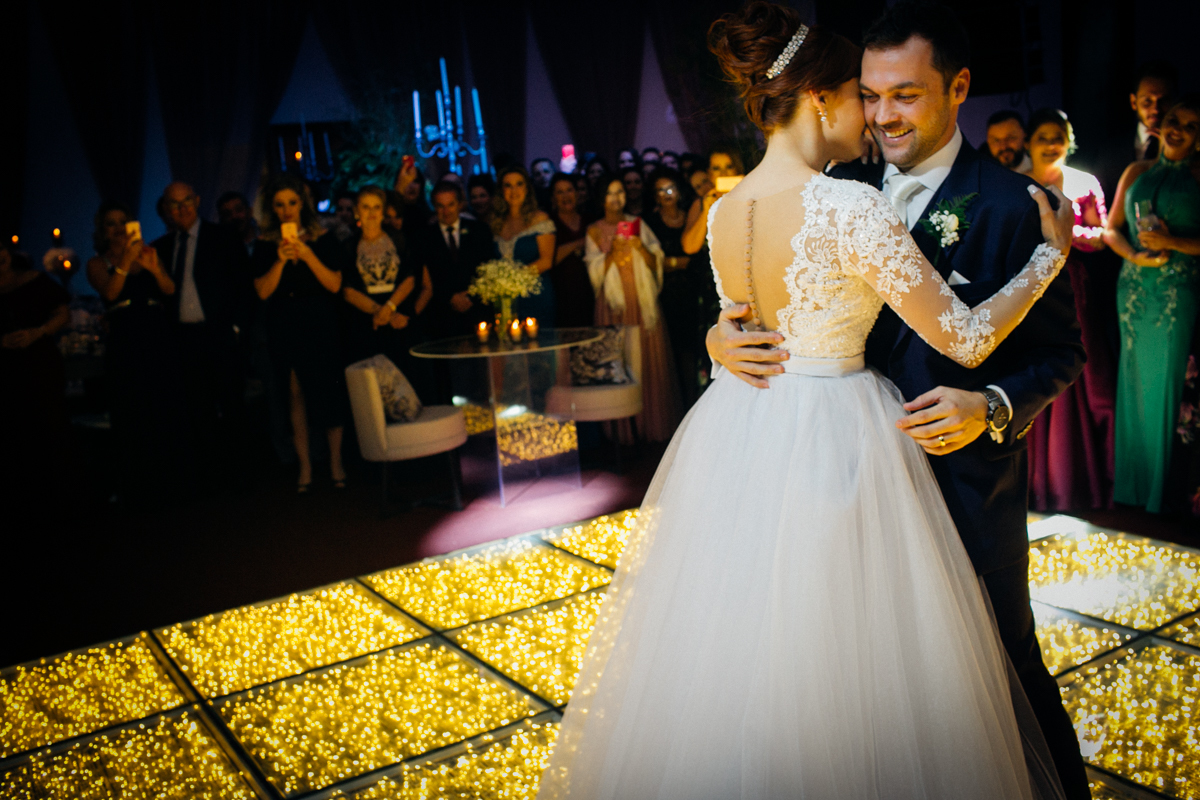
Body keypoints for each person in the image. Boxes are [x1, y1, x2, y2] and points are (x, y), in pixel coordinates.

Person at [697, 1, 1090, 797]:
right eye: (869, 95)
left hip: (965, 488)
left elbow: (1061, 355)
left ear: (958, 88)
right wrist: (718, 339)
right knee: (854, 694)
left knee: (1004, 677)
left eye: (904, 95)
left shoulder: (1014, 204)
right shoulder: (843, 187)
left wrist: (992, 406)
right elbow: (780, 306)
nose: (881, 116)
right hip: (838, 494)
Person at [1105, 96, 1200, 513]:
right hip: (1134, 289)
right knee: (1133, 381)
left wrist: (1172, 241)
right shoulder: (1136, 171)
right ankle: (1132, 489)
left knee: (1169, 384)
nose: (1178, 129)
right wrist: (1135, 255)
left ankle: (1164, 493)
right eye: (1175, 120)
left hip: (1178, 291)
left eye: (1191, 126)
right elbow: (1111, 229)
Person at [1019, 108, 1116, 511]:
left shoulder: (1083, 182)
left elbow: (1102, 235)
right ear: (1029, 142)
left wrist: (1066, 235)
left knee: (1083, 375)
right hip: (1028, 286)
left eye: (1058, 136)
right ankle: (1037, 481)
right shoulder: (1016, 181)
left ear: (1068, 140)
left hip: (1074, 286)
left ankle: (1078, 479)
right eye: (1043, 137)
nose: (1051, 144)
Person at [252, 174, 348, 493]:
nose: (287, 211)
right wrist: (280, 261)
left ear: (302, 204)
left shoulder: (323, 237)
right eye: (280, 205)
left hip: (320, 322)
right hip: (284, 324)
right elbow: (262, 291)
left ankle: (336, 461)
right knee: (294, 395)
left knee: (329, 392)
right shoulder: (265, 244)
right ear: (272, 208)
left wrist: (308, 255)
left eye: (292, 203)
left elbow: (335, 284)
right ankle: (305, 464)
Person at [152, 182, 251, 489]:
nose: (182, 209)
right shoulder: (161, 248)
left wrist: (236, 328)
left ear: (196, 201)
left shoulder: (222, 237)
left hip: (219, 334)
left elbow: (244, 285)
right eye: (175, 204)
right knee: (198, 408)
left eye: (187, 202)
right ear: (166, 209)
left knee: (232, 404)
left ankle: (241, 473)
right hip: (184, 338)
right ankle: (211, 476)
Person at [86, 202, 185, 503]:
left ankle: (173, 480)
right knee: (133, 408)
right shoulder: (97, 263)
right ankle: (140, 486)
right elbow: (111, 292)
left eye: (123, 222)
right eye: (111, 223)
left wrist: (153, 268)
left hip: (155, 331)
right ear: (103, 230)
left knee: (163, 403)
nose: (118, 228)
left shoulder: (149, 253)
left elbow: (169, 289)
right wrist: (126, 262)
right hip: (126, 337)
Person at [584, 177, 681, 444]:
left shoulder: (638, 224)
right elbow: (593, 274)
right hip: (613, 306)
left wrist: (640, 247)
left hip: (642, 302)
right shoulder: (594, 230)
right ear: (601, 198)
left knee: (646, 361)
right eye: (610, 193)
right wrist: (611, 254)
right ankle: (623, 433)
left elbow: (655, 260)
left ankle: (651, 426)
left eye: (620, 192)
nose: (616, 198)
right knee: (621, 361)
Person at [341, 186, 433, 399]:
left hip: (401, 320)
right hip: (367, 324)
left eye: (376, 207)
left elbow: (410, 278)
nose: (372, 213)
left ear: (383, 211)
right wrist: (381, 312)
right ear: (357, 211)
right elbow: (348, 290)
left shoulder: (400, 239)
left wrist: (390, 308)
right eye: (366, 207)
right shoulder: (348, 246)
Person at [1, 240, 70, 495]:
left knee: (48, 430)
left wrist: (38, 332)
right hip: (7, 372)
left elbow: (63, 314)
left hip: (40, 365)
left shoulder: (34, 280)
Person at [645, 167, 701, 407]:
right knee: (673, 353)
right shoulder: (651, 223)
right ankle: (678, 405)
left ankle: (695, 400)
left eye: (670, 188)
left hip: (694, 291)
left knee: (693, 350)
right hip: (666, 294)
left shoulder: (692, 216)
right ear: (654, 195)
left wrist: (674, 262)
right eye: (660, 190)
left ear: (679, 191)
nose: (666, 194)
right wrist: (679, 262)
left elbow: (698, 258)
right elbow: (651, 262)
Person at [423, 180, 494, 339]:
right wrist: (450, 297)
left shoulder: (479, 230)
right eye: (440, 206)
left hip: (478, 312)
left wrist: (470, 295)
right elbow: (428, 277)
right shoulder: (425, 237)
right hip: (442, 318)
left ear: (460, 205)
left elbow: (489, 268)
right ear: (434, 207)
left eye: (451, 205)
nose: (446, 211)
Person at [492, 165, 556, 324]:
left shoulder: (539, 219)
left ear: (527, 188)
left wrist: (511, 280)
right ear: (501, 191)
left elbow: (546, 261)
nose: (514, 190)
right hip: (505, 299)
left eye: (519, 184)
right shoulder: (496, 223)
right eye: (508, 185)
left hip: (535, 295)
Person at [548, 172, 594, 327]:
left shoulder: (590, 221)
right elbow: (549, 259)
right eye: (560, 192)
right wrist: (578, 243)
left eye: (569, 190)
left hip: (589, 294)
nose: (566, 196)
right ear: (553, 198)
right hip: (561, 297)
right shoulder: (549, 225)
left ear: (577, 193)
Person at [1130, 61, 1177, 163]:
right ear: (1133, 102)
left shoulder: (1187, 150)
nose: (1156, 109)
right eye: (1147, 101)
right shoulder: (1109, 151)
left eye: (1164, 101)